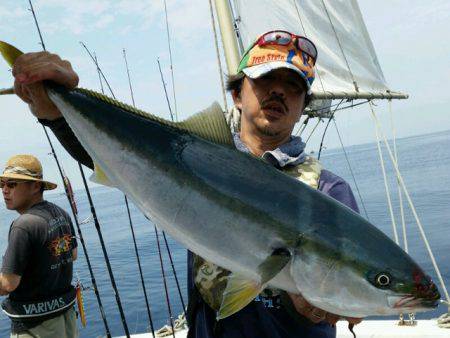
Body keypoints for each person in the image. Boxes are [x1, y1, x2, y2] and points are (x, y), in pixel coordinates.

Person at [11, 30, 361, 337]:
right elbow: (123, 161)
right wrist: (54, 109)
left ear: (303, 106)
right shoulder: (193, 160)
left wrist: (320, 307)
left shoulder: (327, 192)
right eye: (266, 80)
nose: (279, 92)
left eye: (294, 87)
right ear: (238, 94)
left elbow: (351, 285)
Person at [0, 155, 78, 338]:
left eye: (12, 184)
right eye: (2, 184)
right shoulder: (61, 213)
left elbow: (8, 284)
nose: (4, 190)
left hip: (36, 328)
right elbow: (72, 254)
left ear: (35, 186)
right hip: (65, 320)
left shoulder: (23, 225)